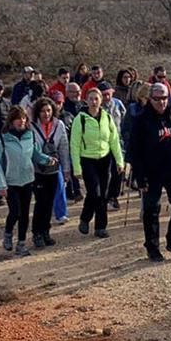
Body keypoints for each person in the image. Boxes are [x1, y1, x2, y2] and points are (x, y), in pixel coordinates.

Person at [129, 83, 171, 261]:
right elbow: (134, 151)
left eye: (164, 98)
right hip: (151, 172)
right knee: (151, 209)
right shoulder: (141, 120)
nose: (162, 102)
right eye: (157, 99)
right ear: (150, 99)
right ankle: (152, 246)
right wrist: (140, 177)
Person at [0, 106, 55, 256]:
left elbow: (35, 154)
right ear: (11, 120)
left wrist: (47, 160)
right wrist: (0, 184)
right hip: (10, 181)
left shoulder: (29, 135)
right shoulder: (2, 138)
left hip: (27, 179)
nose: (21, 121)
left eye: (24, 118)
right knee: (15, 211)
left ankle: (21, 244)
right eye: (18, 118)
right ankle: (8, 234)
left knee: (25, 214)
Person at [70, 88, 124, 238]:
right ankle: (85, 218)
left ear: (101, 100)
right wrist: (76, 167)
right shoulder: (80, 118)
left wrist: (119, 161)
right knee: (94, 192)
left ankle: (101, 227)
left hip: (104, 159)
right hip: (87, 160)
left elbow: (114, 140)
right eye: (91, 99)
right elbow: (74, 144)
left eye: (96, 99)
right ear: (86, 100)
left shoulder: (107, 117)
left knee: (104, 194)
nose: (94, 102)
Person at [29, 97, 70, 248]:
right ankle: (37, 233)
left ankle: (46, 231)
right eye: (42, 111)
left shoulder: (59, 125)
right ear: (37, 113)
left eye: (48, 110)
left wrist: (66, 170)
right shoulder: (31, 127)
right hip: (37, 171)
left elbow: (64, 148)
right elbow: (32, 149)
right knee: (41, 202)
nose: (46, 114)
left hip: (54, 170)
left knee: (49, 202)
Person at [100, 81, 128, 209]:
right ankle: (103, 196)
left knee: (119, 170)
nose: (106, 97)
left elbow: (125, 120)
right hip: (102, 143)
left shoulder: (118, 104)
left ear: (112, 92)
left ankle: (113, 196)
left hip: (118, 141)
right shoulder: (97, 107)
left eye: (108, 94)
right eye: (103, 95)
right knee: (106, 172)